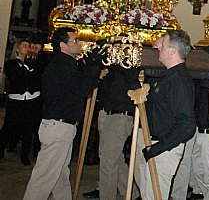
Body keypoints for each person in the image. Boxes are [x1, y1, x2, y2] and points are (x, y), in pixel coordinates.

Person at [23, 27, 103, 200]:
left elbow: (77, 85)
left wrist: (91, 65)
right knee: (44, 178)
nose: (79, 43)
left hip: (60, 127)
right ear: (63, 45)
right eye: (75, 41)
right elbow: (81, 88)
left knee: (60, 176)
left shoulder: (65, 64)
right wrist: (94, 65)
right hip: (58, 127)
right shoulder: (62, 64)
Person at [133, 30, 196, 200]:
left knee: (155, 194)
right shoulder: (169, 77)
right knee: (148, 195)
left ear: (172, 50)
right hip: (156, 145)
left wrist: (158, 148)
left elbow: (187, 125)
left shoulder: (179, 81)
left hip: (164, 148)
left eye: (161, 46)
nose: (158, 50)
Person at [97, 65, 140, 199]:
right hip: (108, 112)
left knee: (108, 162)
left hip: (121, 114)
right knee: (113, 158)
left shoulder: (129, 65)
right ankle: (132, 193)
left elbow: (134, 83)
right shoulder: (111, 68)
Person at [0, 40, 43, 165]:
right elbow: (16, 80)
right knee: (8, 127)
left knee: (28, 129)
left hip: (31, 100)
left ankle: (25, 155)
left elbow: (37, 80)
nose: (28, 48)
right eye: (24, 46)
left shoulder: (35, 63)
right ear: (17, 49)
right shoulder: (11, 64)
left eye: (29, 46)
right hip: (16, 100)